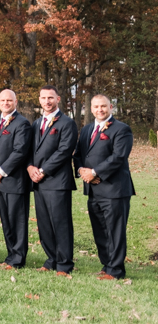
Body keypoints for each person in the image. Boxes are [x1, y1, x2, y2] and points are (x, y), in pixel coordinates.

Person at [73, 94, 135, 280]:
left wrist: (94, 173)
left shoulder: (121, 129)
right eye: (96, 106)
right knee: (100, 229)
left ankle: (116, 270)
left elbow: (118, 157)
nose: (100, 110)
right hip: (93, 189)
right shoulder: (87, 130)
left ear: (111, 108)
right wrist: (83, 171)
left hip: (114, 189)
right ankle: (106, 264)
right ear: (91, 109)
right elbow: (78, 155)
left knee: (115, 230)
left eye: (103, 106)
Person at [28, 85, 78, 277]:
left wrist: (43, 170)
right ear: (39, 100)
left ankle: (64, 264)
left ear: (58, 99)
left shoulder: (67, 123)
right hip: (38, 181)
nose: (47, 101)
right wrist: (30, 167)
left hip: (57, 181)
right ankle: (51, 259)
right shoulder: (36, 124)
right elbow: (29, 150)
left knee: (60, 222)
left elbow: (64, 151)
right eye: (43, 98)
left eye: (51, 97)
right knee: (44, 224)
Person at [0, 89, 33, 269]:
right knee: (6, 220)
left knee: (17, 221)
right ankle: (10, 256)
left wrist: (1, 170)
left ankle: (18, 259)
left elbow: (20, 151)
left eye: (9, 100)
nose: (6, 103)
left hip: (15, 179)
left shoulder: (22, 123)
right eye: (2, 100)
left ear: (16, 102)